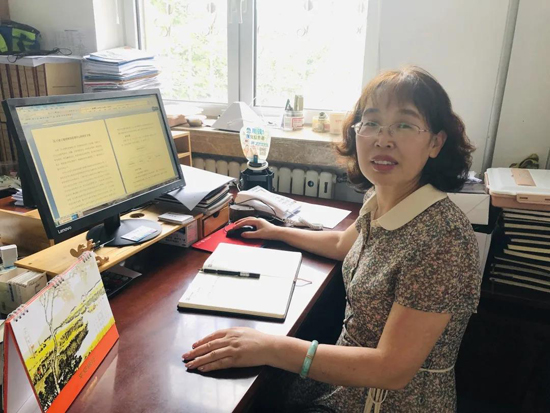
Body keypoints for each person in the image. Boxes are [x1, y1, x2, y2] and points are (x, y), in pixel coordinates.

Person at [182, 66, 482, 412]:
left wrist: (269, 346)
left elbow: (392, 369)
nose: (383, 139)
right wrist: (276, 231)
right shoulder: (382, 195)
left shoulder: (443, 240)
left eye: (404, 125)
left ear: (436, 143)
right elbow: (344, 245)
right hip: (345, 379)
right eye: (372, 123)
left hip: (388, 401)